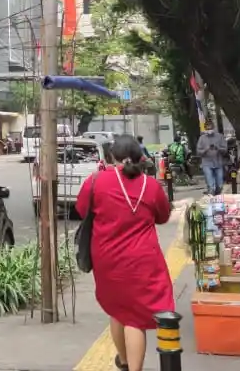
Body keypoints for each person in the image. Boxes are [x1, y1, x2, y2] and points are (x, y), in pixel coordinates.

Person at [76, 135, 174, 371]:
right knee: (135, 318)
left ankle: (124, 361)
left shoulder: (96, 180)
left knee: (118, 308)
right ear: (141, 158)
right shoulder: (150, 185)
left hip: (108, 260)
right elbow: (163, 216)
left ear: (112, 156)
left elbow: (81, 209)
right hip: (143, 261)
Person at [195, 128, 228, 195]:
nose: (209, 130)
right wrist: (206, 149)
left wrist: (218, 148)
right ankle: (211, 192)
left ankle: (218, 193)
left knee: (220, 185)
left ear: (213, 128)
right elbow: (198, 152)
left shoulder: (220, 137)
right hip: (207, 163)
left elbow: (225, 150)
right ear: (205, 129)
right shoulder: (202, 138)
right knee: (211, 186)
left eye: (210, 128)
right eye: (207, 128)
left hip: (218, 163)